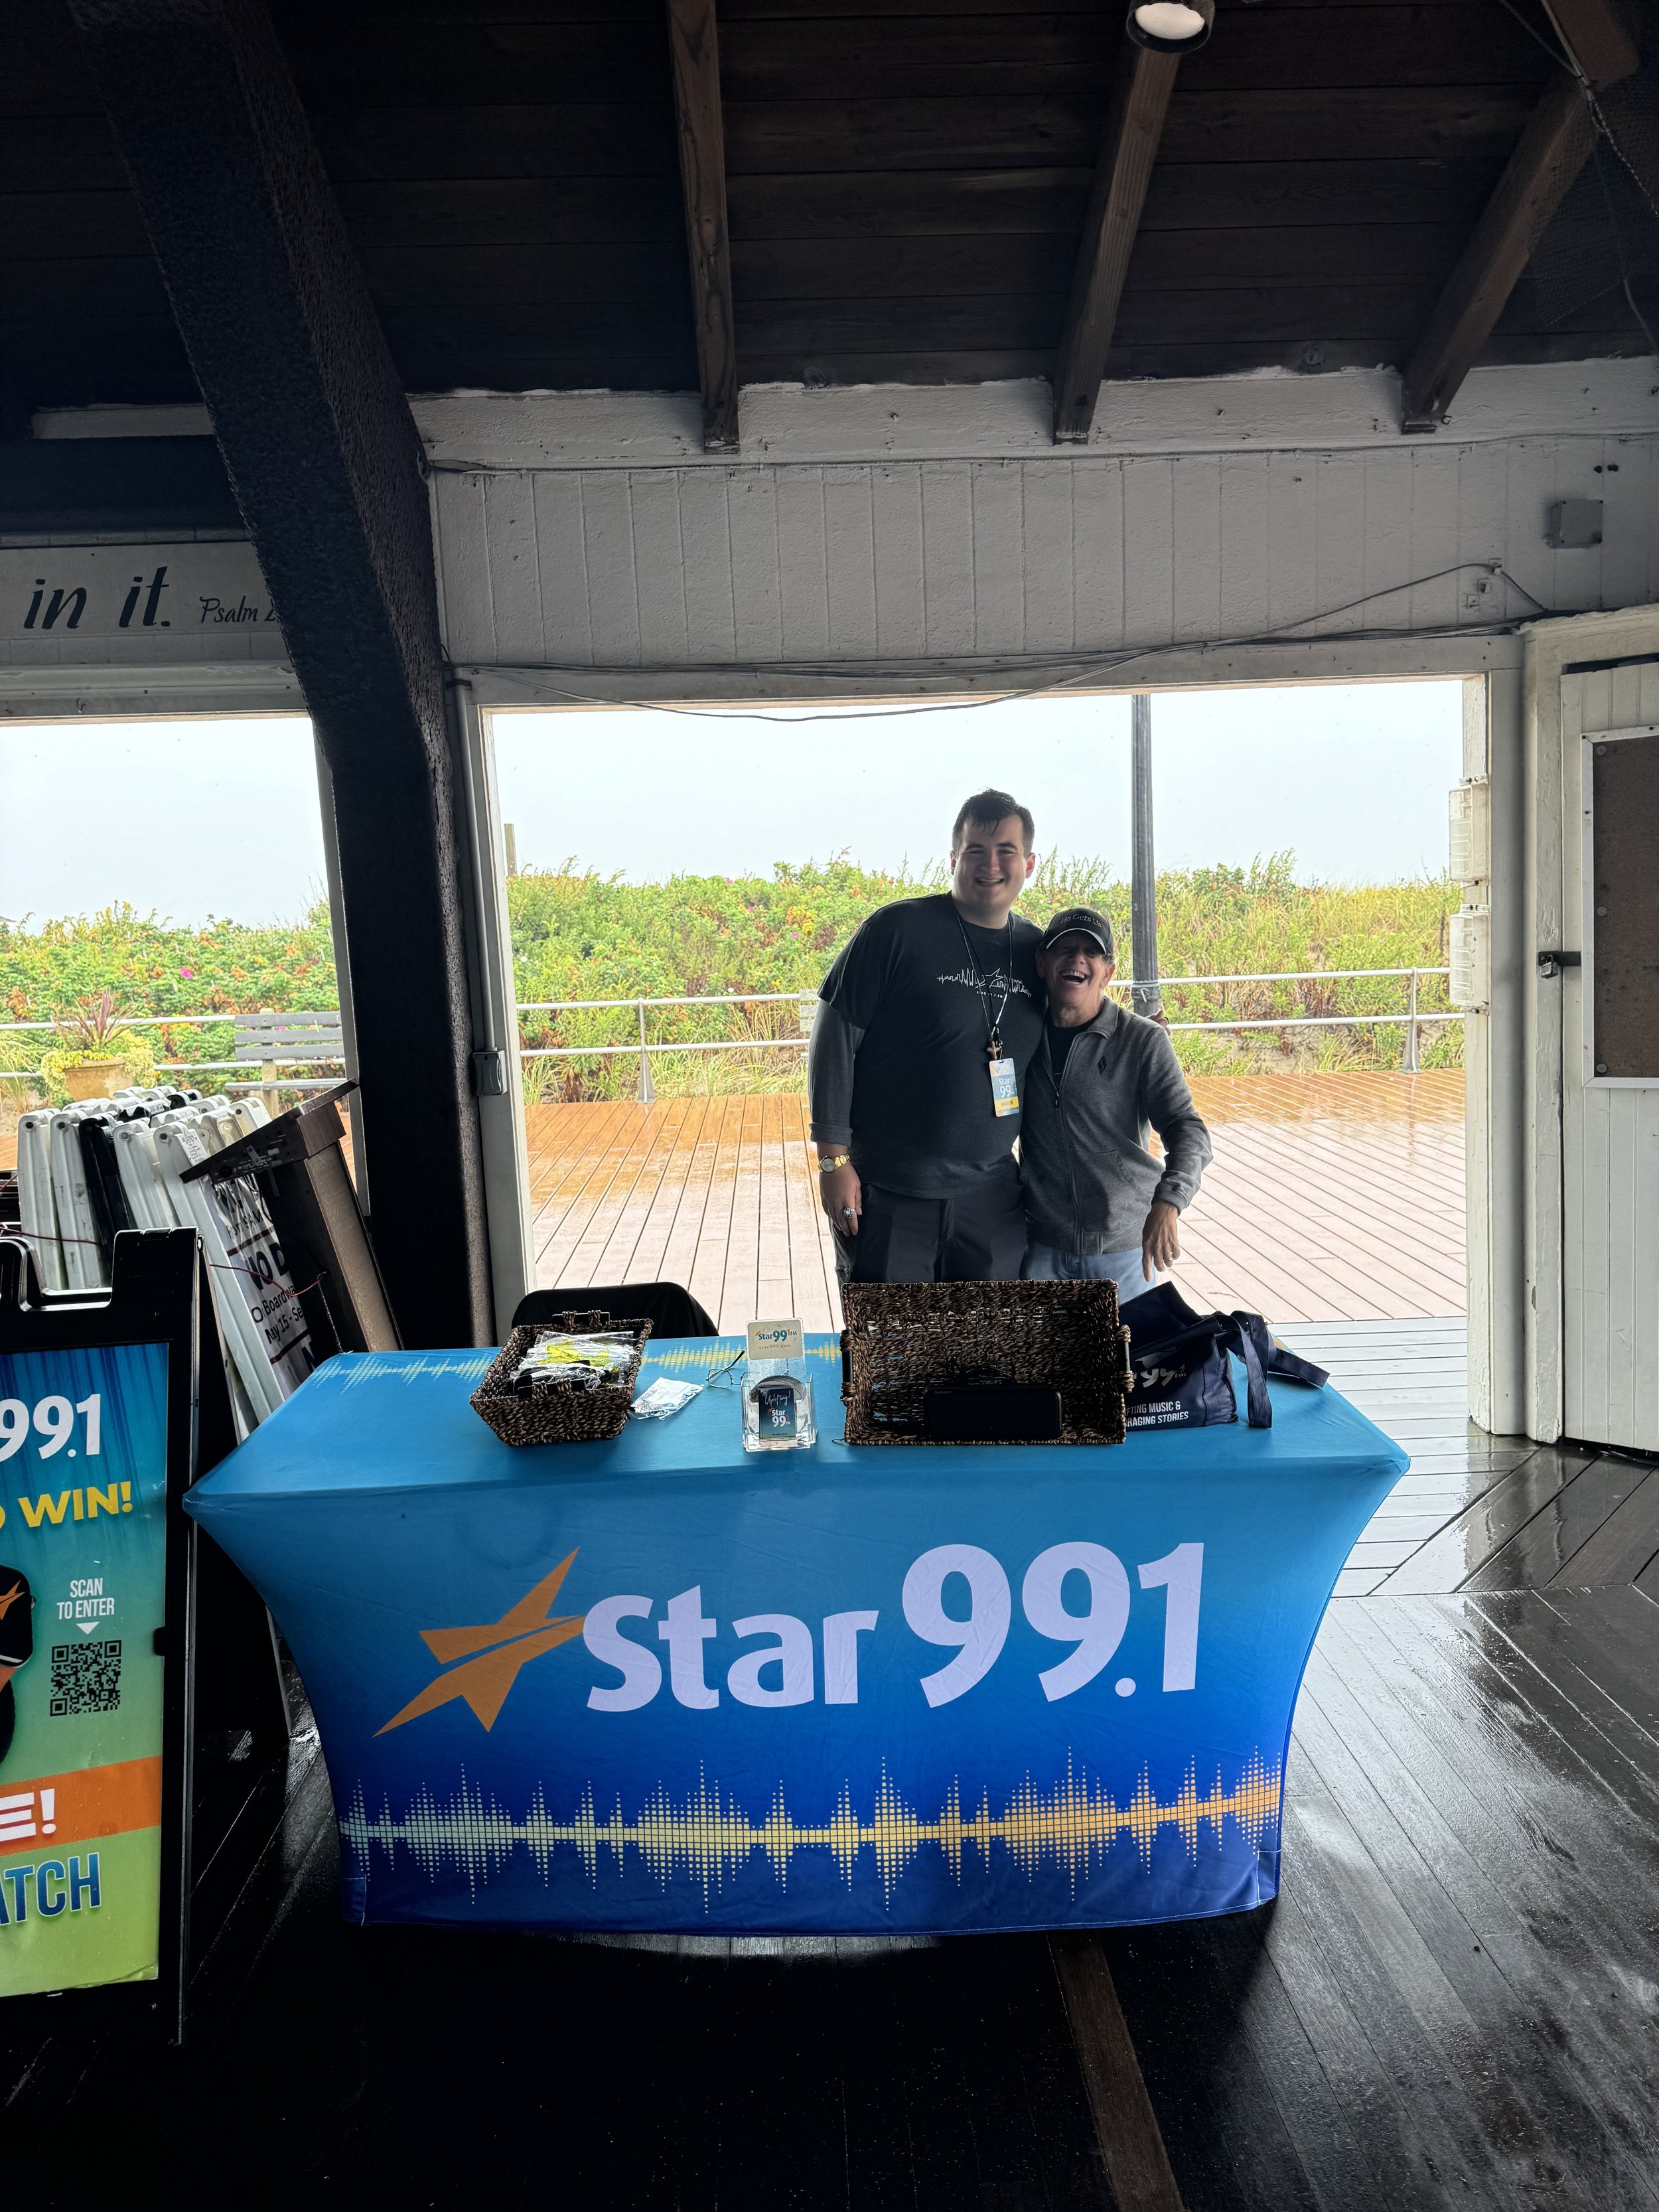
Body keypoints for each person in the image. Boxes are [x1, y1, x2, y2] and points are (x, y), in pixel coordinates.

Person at [810, 790, 1045, 1282]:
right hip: (891, 1192)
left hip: (993, 1196)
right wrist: (833, 1162)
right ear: (954, 858)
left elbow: (1080, 1019)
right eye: (976, 850)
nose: (991, 864)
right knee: (890, 1347)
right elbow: (834, 1039)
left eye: (1006, 850)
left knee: (987, 1348)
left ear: (1029, 862)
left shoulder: (1036, 951)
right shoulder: (897, 930)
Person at [1020, 905, 1212, 1304]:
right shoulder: (1019, 1038)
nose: (1077, 959)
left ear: (1107, 972)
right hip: (1041, 1247)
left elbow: (1187, 1128)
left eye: (1091, 953)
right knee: (1049, 1366)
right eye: (1064, 949)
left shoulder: (1142, 1040)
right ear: (1042, 963)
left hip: (1123, 1249)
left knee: (1126, 1364)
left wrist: (1169, 1202)